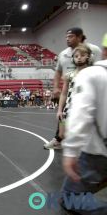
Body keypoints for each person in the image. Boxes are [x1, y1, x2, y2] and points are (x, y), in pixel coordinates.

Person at [60, 33, 107, 214]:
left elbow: (82, 114)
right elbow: (65, 93)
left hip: (99, 153)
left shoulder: (92, 74)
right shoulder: (74, 74)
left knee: (70, 198)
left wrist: (71, 150)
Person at [46, 27, 102, 149]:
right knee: (63, 121)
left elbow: (101, 69)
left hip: (87, 97)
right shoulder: (63, 55)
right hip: (70, 98)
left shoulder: (94, 51)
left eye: (70, 36)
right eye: (66, 36)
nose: (67, 39)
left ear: (79, 36)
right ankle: (60, 139)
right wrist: (56, 89)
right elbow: (58, 75)